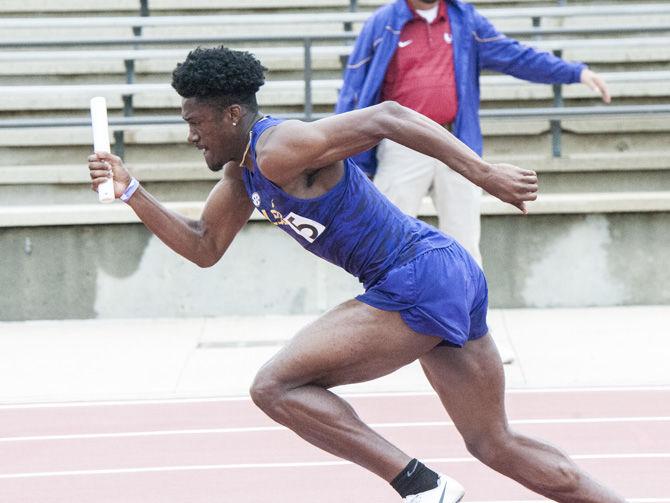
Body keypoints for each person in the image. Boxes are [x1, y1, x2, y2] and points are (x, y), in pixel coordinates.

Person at [88, 47, 624, 503]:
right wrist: (132, 191)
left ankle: (421, 487)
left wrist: (484, 174)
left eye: (195, 122)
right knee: (493, 443)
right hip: (445, 270)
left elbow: (388, 115)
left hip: (414, 277)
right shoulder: (244, 174)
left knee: (274, 386)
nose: (190, 136)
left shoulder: (279, 147)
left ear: (231, 115)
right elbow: (204, 247)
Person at [335, 0, 611, 265]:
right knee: (387, 239)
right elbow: (354, 89)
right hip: (402, 145)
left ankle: (468, 313)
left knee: (464, 243)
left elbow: (515, 56)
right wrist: (343, 155)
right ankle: (387, 311)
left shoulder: (464, 20)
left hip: (456, 142)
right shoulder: (383, 23)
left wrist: (576, 73)